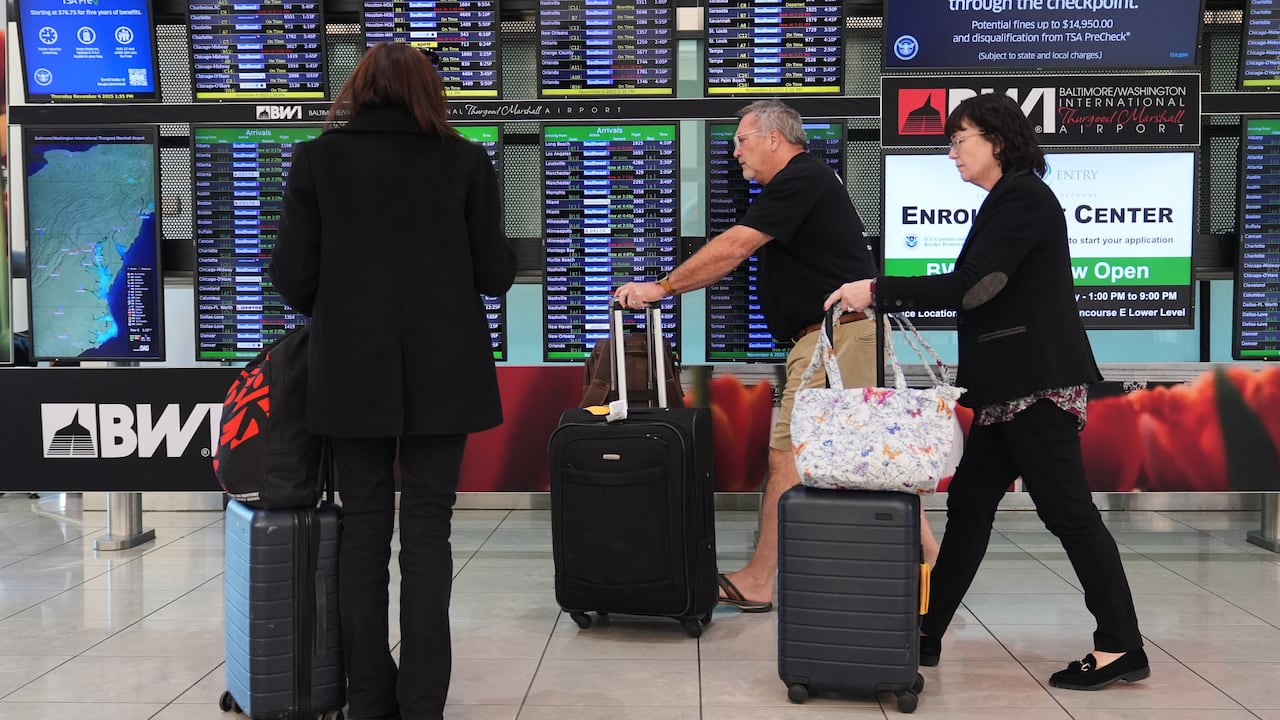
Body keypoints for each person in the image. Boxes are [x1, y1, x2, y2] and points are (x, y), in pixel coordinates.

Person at [824, 93, 1148, 691]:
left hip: (1036, 385)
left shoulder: (1022, 196)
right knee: (971, 508)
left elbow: (977, 287)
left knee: (1069, 514)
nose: (950, 151)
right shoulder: (1009, 198)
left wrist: (877, 289)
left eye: (959, 138)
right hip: (1008, 389)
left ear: (996, 139)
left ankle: (1121, 645)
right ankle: (926, 631)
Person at [614, 98, 938, 613]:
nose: (735, 152)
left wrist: (662, 287)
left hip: (838, 338)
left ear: (774, 137)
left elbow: (735, 246)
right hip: (830, 340)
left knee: (789, 456)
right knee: (873, 458)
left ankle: (762, 579)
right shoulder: (804, 183)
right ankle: (934, 572)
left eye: (742, 140)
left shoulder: (801, 177)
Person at [270, 42, 515, 720]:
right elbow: (495, 274)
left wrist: (345, 300)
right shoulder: (466, 160)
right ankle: (423, 702)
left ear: (359, 89)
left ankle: (368, 698)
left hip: (350, 372)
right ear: (428, 93)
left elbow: (292, 278)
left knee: (363, 532)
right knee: (430, 534)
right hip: (447, 371)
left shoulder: (318, 159)